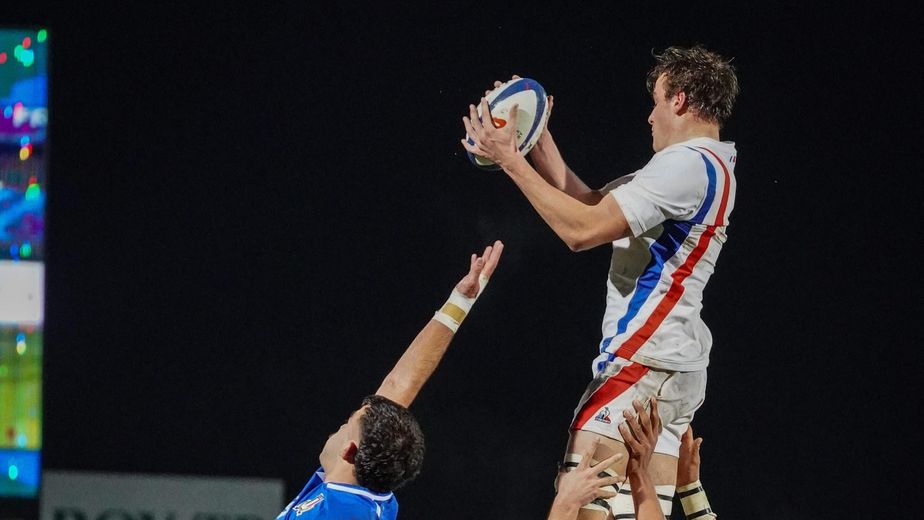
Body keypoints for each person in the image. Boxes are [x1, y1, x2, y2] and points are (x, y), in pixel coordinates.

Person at [462, 45, 739, 519]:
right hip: (674, 369)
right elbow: (591, 206)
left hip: (641, 362)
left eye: (656, 101)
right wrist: (537, 140)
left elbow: (581, 232)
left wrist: (509, 159)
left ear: (679, 99)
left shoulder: (686, 165)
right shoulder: (709, 166)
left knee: (574, 508)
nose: (650, 117)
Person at [276, 241, 504, 519]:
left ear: (349, 451)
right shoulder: (355, 488)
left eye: (346, 424)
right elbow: (398, 385)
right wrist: (460, 302)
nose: (339, 428)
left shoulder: (345, 513)